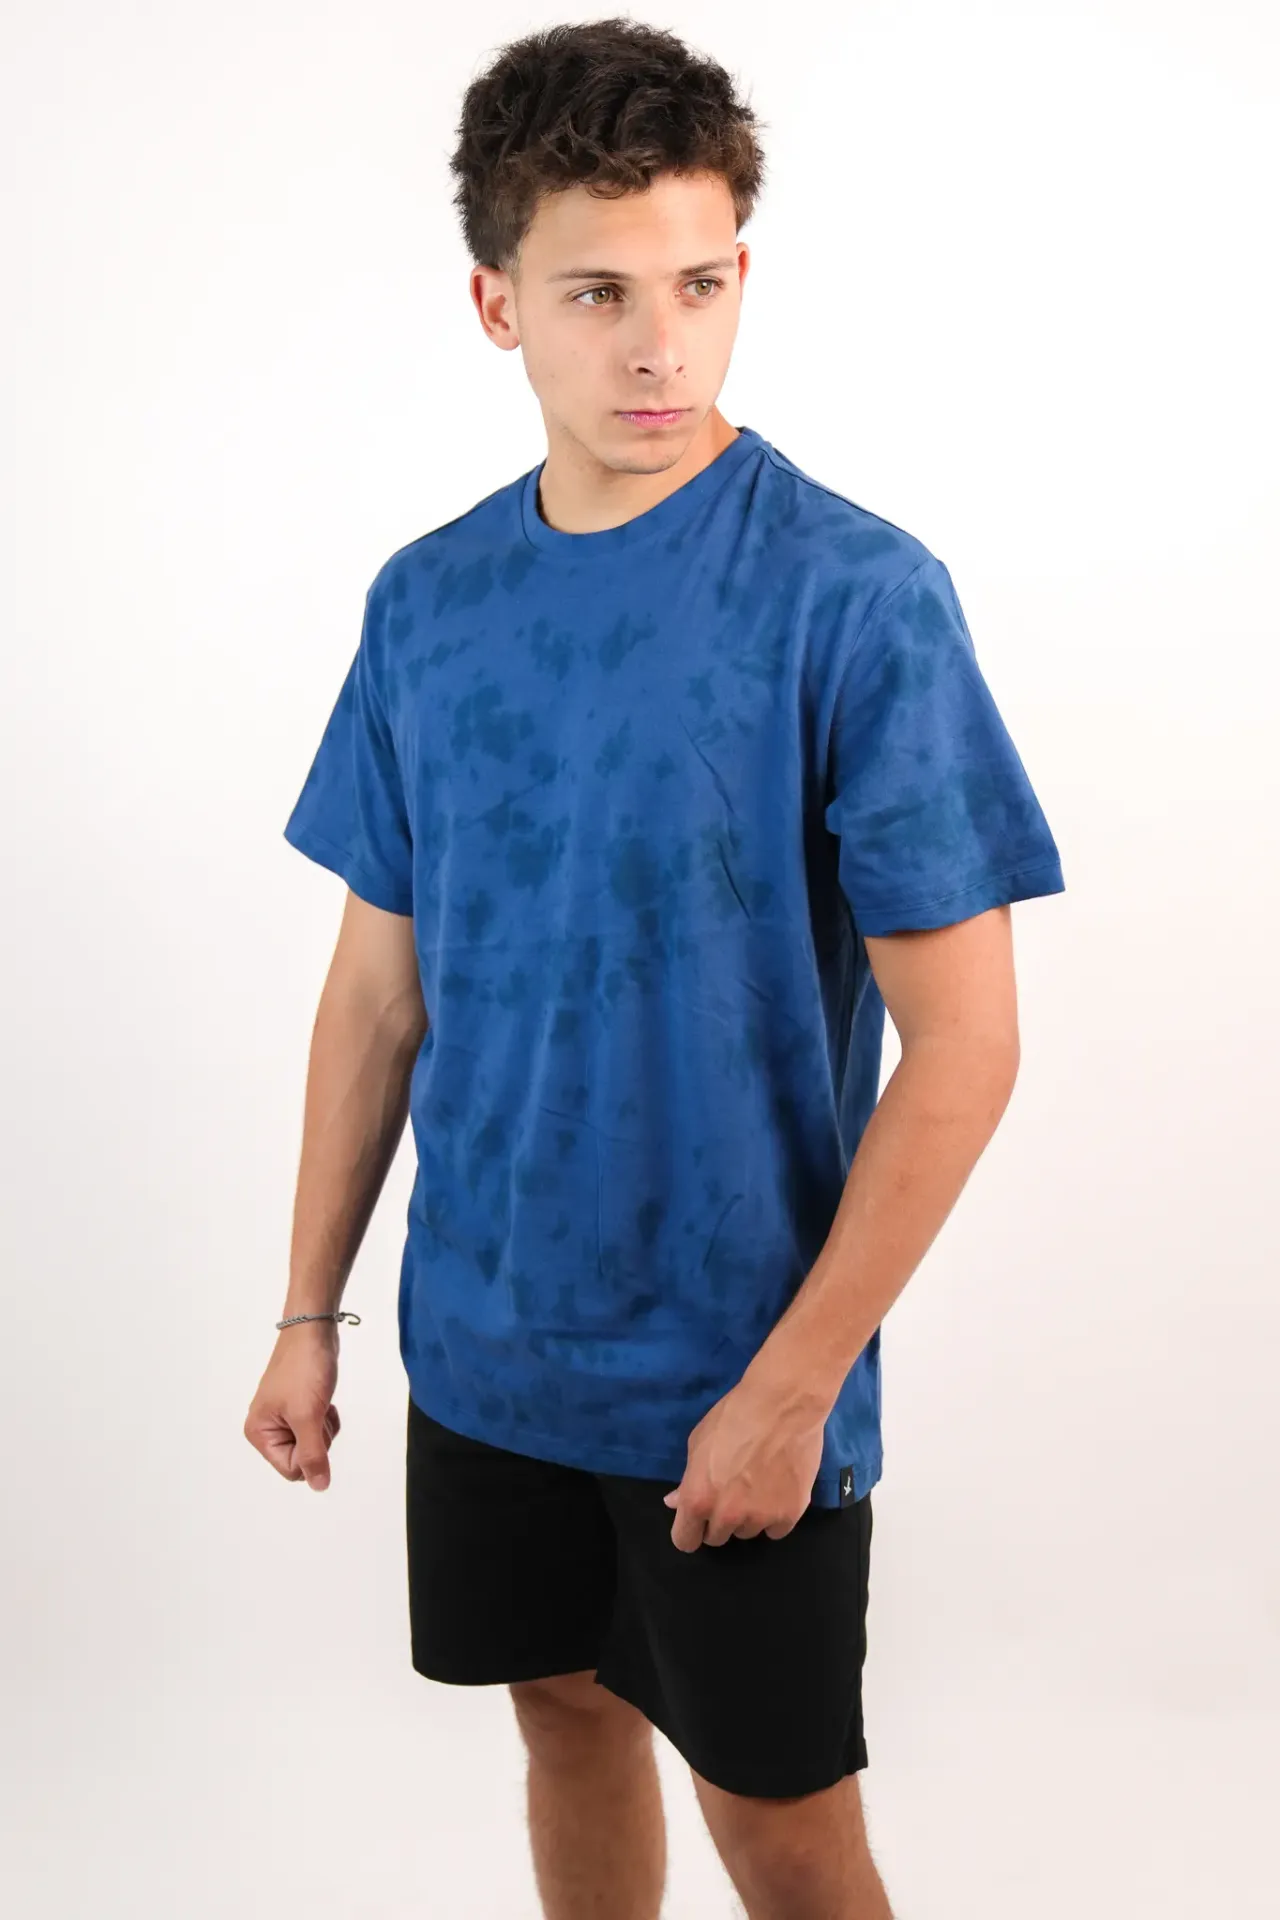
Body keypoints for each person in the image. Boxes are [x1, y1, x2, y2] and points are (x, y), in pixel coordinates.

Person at [244, 18, 1065, 1918]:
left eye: (699, 286)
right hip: (485, 1349)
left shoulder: (857, 598)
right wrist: (308, 1308)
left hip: (733, 1365)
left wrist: (795, 1387)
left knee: (783, 1826)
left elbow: (966, 1049)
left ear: (741, 275)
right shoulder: (428, 602)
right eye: (598, 293)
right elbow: (378, 993)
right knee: (563, 1719)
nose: (659, 348)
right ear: (497, 305)